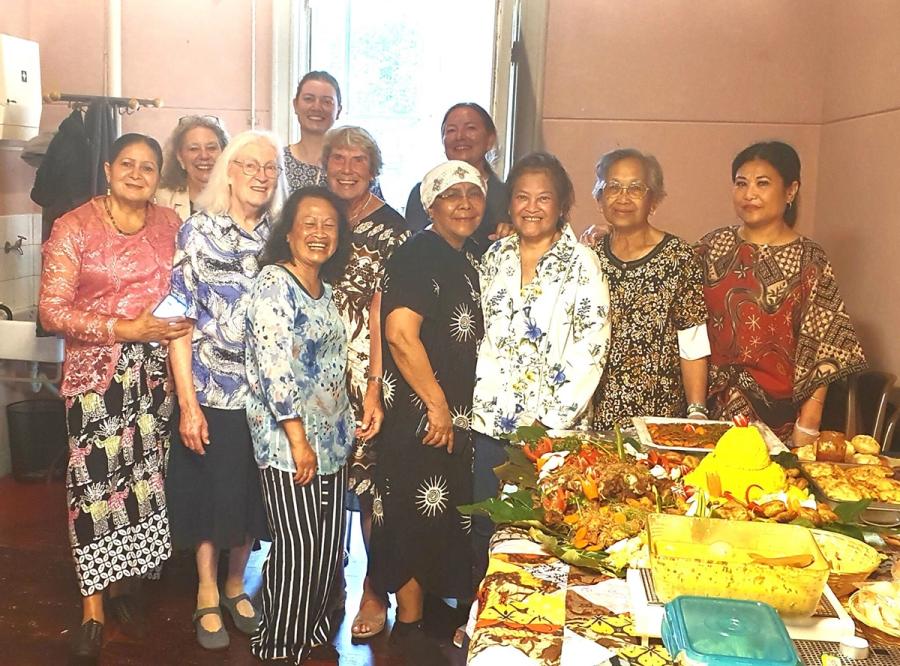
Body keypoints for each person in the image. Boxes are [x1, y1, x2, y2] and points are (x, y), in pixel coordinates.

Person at [39, 133, 192, 660]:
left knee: (145, 483)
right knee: (95, 490)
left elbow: (185, 291)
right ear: (107, 169)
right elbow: (51, 311)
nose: (136, 173)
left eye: (148, 167)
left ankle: (129, 586)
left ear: (158, 176)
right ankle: (93, 608)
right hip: (96, 378)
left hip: (156, 379)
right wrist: (123, 328)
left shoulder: (171, 225)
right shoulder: (74, 226)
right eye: (127, 163)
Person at [165, 130, 283, 649]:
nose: (261, 175)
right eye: (251, 165)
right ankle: (207, 592)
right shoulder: (197, 232)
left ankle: (238, 583)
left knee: (252, 497)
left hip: (267, 398)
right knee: (211, 496)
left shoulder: (281, 238)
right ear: (229, 171)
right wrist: (187, 404)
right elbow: (179, 323)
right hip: (212, 393)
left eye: (271, 168)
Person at [471, 152, 611, 578]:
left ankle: (536, 631)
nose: (531, 207)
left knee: (540, 533)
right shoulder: (496, 258)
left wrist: (545, 426)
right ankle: (484, 625)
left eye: (543, 198)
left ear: (563, 203)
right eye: (521, 197)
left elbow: (591, 349)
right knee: (485, 527)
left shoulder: (583, 264)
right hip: (489, 421)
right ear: (509, 203)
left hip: (550, 431)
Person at [368, 161, 486, 664]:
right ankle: (409, 625)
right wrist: (437, 405)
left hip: (453, 413)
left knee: (442, 513)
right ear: (430, 205)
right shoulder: (418, 253)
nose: (463, 203)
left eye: (472, 194)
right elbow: (398, 332)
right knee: (414, 513)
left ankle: (432, 615)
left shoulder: (468, 254)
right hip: (420, 413)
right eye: (450, 195)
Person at [245, 186, 358, 663]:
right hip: (289, 442)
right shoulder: (274, 283)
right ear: (288, 233)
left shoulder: (326, 291)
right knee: (299, 548)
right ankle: (278, 647)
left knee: (329, 549)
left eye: (328, 225)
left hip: (332, 441)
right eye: (308, 223)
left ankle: (308, 631)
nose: (318, 233)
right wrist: (298, 439)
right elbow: (274, 368)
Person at [697, 141, 866, 444]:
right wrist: (617, 234)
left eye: (762, 183)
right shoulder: (712, 246)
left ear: (790, 191)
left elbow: (823, 346)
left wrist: (809, 424)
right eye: (741, 183)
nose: (749, 194)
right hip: (710, 412)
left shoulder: (809, 259)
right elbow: (669, 277)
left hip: (778, 420)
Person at [321, 126, 410, 639]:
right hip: (316, 373)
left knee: (370, 487)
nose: (347, 168)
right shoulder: (314, 214)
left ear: (374, 168)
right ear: (325, 164)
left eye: (358, 159)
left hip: (367, 374)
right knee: (322, 485)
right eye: (338, 158)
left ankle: (373, 591)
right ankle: (326, 583)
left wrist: (374, 386)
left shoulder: (393, 228)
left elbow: (386, 312)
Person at [587, 148, 711, 430]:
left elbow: (692, 339)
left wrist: (696, 410)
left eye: (636, 189)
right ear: (599, 198)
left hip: (658, 420)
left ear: (653, 200)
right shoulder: (590, 258)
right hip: (595, 418)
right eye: (613, 187)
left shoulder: (679, 257)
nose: (622, 198)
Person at [404, 102, 508, 256]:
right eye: (451, 130)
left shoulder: (508, 196)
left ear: (490, 139)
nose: (460, 137)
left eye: (470, 128)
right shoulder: (421, 193)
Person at [156, 115, 229, 221]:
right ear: (180, 157)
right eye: (194, 149)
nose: (204, 156)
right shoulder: (162, 199)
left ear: (224, 152)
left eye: (211, 148)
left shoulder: (239, 198)